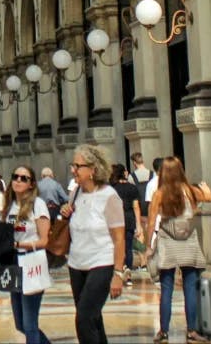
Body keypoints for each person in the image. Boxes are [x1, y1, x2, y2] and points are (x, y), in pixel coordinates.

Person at [61, 144, 126, 344]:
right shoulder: (75, 193)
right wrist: (66, 213)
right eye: (73, 165)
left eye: (78, 166)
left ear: (93, 170)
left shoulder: (109, 196)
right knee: (94, 318)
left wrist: (118, 274)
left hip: (102, 262)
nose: (73, 170)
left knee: (84, 318)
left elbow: (119, 238)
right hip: (76, 263)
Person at [146, 156, 211, 344]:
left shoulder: (159, 194)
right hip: (188, 239)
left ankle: (163, 331)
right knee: (190, 286)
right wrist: (206, 188)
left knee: (166, 287)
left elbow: (151, 221)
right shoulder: (189, 191)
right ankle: (192, 330)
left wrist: (148, 246)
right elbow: (209, 197)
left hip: (168, 238)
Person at [7, 165, 52, 344]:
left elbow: (44, 241)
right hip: (13, 263)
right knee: (20, 323)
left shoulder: (38, 204)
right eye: (15, 176)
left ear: (32, 184)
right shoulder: (9, 205)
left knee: (30, 323)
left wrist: (20, 244)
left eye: (23, 178)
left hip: (32, 261)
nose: (18, 180)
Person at [110, 164, 144, 286]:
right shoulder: (132, 188)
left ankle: (119, 270)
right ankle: (128, 273)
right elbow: (136, 206)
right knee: (128, 247)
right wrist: (138, 225)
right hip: (129, 219)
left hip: (115, 219)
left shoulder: (112, 188)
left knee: (117, 246)